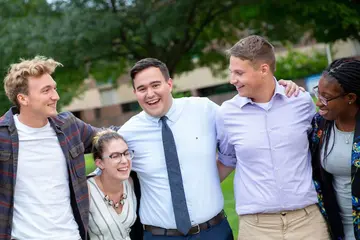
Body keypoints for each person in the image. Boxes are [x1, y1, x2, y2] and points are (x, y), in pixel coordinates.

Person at [117, 57, 301, 239]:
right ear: (135, 93)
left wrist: (278, 89)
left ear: (169, 84)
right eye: (142, 89)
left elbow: (247, 117)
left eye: (155, 85)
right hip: (160, 235)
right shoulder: (127, 135)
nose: (150, 94)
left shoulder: (204, 110)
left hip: (214, 231)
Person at [216, 35, 329, 239]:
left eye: (239, 73)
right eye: (231, 72)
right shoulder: (227, 114)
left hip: (307, 222)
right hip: (256, 227)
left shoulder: (301, 101)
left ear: (264, 69)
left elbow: (320, 148)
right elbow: (226, 160)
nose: (232, 80)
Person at [0, 56, 98, 240]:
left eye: (54, 88)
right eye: (46, 90)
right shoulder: (2, 136)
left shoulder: (69, 126)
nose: (56, 96)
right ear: (23, 98)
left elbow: (106, 139)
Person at [309, 58, 360, 240]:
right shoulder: (320, 126)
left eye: (326, 98)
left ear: (350, 98)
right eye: (317, 93)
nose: (319, 103)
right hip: (339, 229)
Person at [88, 130, 137, 239]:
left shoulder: (131, 182)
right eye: (115, 156)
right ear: (100, 163)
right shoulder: (87, 190)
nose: (124, 160)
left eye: (126, 153)